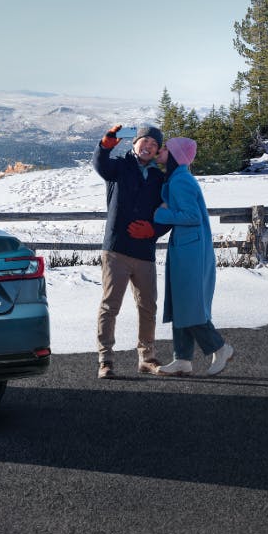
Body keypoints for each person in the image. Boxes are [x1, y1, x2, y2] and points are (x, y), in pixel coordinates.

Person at [150, 136, 235, 377]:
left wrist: (160, 214)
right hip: (187, 247)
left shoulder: (180, 181)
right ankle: (182, 359)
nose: (160, 150)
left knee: (189, 304)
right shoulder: (178, 177)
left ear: (175, 155)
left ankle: (220, 348)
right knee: (181, 304)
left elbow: (191, 216)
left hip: (191, 251)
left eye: (165, 148)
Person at [92, 123, 168, 379]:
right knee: (110, 305)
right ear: (134, 143)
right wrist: (104, 146)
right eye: (145, 141)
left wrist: (154, 230)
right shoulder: (119, 167)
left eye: (154, 144)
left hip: (144, 252)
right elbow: (100, 165)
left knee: (148, 307)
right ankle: (105, 360)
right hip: (117, 249)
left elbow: (168, 213)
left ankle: (147, 358)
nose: (149, 146)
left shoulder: (159, 178)